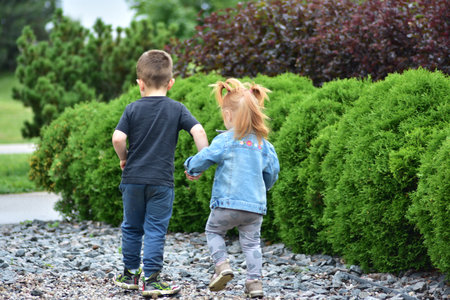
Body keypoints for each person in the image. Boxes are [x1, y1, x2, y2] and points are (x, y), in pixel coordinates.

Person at [112, 49, 208, 297]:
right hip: (161, 182)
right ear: (171, 83)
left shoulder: (132, 109)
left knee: (131, 226)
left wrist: (123, 158)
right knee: (155, 228)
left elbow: (118, 138)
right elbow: (198, 131)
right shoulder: (177, 109)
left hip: (132, 179)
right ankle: (152, 280)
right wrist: (201, 161)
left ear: (139, 84)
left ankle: (130, 274)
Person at [184, 78, 280, 298]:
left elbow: (205, 156)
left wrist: (192, 167)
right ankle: (255, 283)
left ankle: (222, 265)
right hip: (254, 208)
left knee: (214, 230)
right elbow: (272, 173)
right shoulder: (265, 145)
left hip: (226, 204)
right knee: (252, 243)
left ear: (227, 116)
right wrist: (260, 190)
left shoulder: (225, 140)